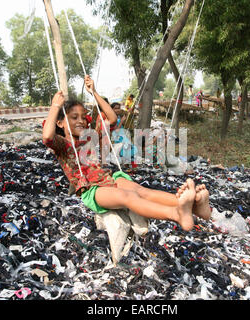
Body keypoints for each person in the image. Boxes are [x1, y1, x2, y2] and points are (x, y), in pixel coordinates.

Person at [43, 75, 211, 231]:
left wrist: (94, 93)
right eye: (74, 117)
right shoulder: (63, 145)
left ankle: (197, 207)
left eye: (82, 116)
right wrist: (56, 106)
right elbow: (47, 137)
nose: (80, 120)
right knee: (128, 197)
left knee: (144, 192)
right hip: (92, 190)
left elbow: (112, 118)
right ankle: (177, 214)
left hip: (109, 178)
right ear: (60, 122)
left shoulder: (90, 137)